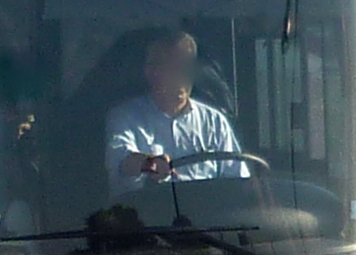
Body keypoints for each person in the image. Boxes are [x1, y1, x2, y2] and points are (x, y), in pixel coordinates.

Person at [106, 29, 250, 198]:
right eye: (173, 67)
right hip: (146, 215)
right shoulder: (125, 117)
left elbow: (238, 181)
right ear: (151, 72)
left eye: (187, 67)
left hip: (209, 218)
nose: (181, 75)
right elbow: (120, 160)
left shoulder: (215, 121)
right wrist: (148, 163)